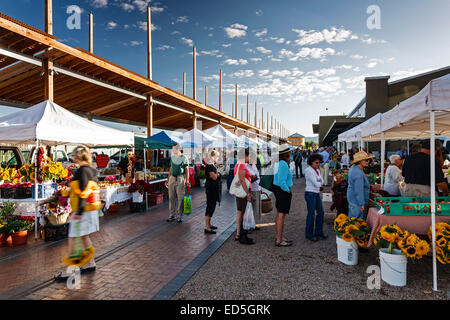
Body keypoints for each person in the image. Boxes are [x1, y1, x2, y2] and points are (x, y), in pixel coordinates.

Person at [58, 146, 102, 279]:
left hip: (83, 210)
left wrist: (79, 211)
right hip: (90, 210)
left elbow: (83, 192)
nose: (72, 158)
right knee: (83, 236)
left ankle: (71, 270)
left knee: (72, 238)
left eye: (73, 155)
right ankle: (90, 263)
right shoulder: (91, 170)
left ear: (77, 157)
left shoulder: (82, 171)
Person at [273, 144, 294, 247]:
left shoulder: (278, 163)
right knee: (281, 215)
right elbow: (282, 181)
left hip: (278, 190)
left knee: (279, 214)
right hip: (282, 191)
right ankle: (279, 240)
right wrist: (287, 190)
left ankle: (279, 237)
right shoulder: (283, 164)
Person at [304, 153, 327, 242]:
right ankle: (309, 234)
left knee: (321, 212)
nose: (318, 164)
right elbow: (316, 183)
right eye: (316, 163)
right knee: (311, 213)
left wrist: (319, 183)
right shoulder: (309, 170)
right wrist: (319, 183)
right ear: (311, 162)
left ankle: (318, 232)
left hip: (316, 193)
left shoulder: (317, 170)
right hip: (310, 193)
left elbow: (322, 180)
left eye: (319, 163)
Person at [233, 148, 254, 244]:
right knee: (244, 213)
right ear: (245, 156)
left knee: (240, 212)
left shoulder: (238, 164)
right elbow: (242, 180)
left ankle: (240, 234)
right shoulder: (241, 165)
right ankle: (243, 236)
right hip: (243, 191)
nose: (249, 158)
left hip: (240, 191)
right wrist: (248, 193)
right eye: (248, 156)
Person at [165, 144, 189, 223]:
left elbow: (187, 170)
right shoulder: (172, 158)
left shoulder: (184, 158)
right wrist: (168, 179)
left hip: (180, 178)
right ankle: (172, 215)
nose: (173, 150)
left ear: (178, 149)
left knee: (180, 198)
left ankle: (179, 215)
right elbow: (170, 169)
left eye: (174, 149)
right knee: (171, 197)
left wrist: (187, 180)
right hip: (172, 178)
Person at [347, 151, 373, 219]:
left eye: (369, 160)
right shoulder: (358, 173)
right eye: (366, 160)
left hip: (353, 199)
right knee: (357, 222)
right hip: (357, 201)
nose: (368, 162)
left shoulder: (354, 168)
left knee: (352, 219)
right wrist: (362, 204)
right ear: (360, 161)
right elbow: (359, 191)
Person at [204, 150, 221, 234]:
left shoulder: (213, 165)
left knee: (212, 205)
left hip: (213, 188)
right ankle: (207, 227)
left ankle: (209, 224)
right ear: (213, 156)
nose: (218, 158)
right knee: (210, 206)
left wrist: (217, 174)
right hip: (210, 188)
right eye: (217, 156)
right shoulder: (209, 165)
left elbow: (216, 174)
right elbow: (214, 177)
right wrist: (217, 175)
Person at [247, 151, 262, 227]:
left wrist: (260, 187)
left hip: (257, 188)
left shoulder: (253, 165)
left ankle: (254, 223)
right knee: (251, 208)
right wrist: (254, 177)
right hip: (251, 189)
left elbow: (257, 175)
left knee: (256, 208)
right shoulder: (246, 166)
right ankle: (249, 225)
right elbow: (248, 178)